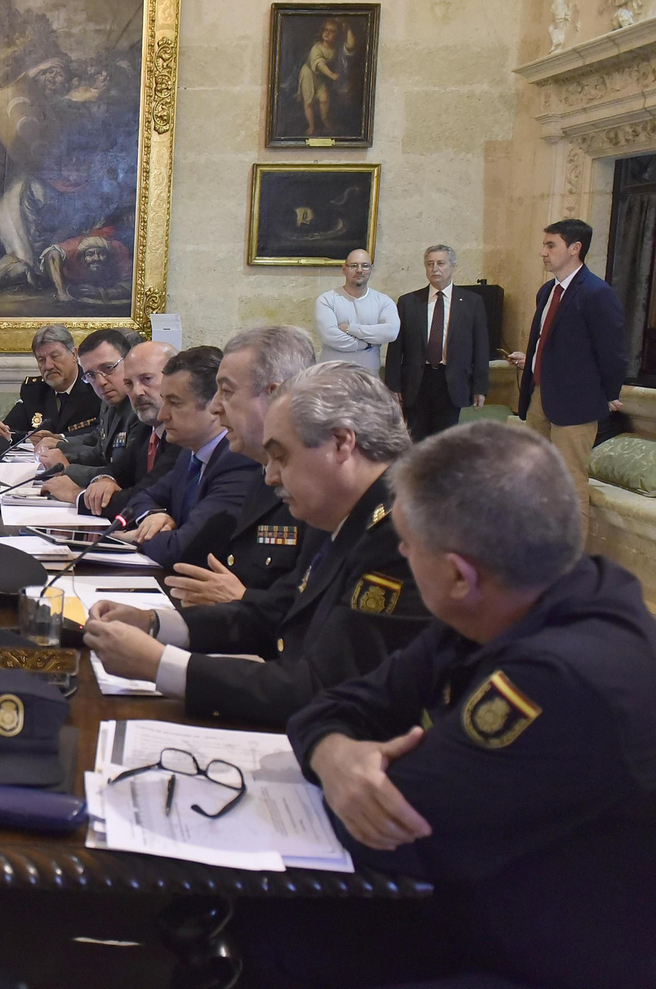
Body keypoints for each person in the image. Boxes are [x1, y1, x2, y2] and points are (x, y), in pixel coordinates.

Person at [258, 422, 656, 988]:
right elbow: (343, 703)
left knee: (271, 939)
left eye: (408, 544)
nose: (400, 554)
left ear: (457, 574)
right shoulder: (517, 597)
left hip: (547, 956)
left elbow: (396, 824)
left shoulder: (563, 679)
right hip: (499, 901)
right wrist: (333, 753)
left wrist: (338, 753)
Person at [84, 362, 432, 728]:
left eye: (281, 457)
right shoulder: (340, 510)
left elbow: (325, 688)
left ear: (342, 443)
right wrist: (153, 623)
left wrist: (160, 665)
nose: (269, 475)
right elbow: (278, 611)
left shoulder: (405, 534)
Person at [164, 324, 315, 605]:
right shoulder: (259, 466)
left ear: (274, 394)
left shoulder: (315, 484)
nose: (214, 407)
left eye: (227, 392)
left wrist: (244, 600)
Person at [507, 218, 627, 526]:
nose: (543, 252)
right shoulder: (548, 291)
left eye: (551, 245)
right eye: (544, 245)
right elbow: (553, 342)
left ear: (575, 248)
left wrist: (609, 395)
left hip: (576, 406)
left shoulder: (596, 293)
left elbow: (612, 352)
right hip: (540, 398)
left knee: (570, 485)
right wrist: (532, 361)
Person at [116, 346, 261, 568]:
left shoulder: (238, 459)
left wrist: (143, 537)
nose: (163, 415)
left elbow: (184, 550)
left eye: (174, 403)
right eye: (164, 401)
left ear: (213, 406)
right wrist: (153, 516)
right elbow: (141, 498)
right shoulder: (190, 454)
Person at [68, 340, 183, 516]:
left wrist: (76, 496)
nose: (137, 392)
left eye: (147, 379)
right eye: (129, 383)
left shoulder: (183, 434)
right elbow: (117, 469)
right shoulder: (149, 427)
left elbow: (144, 495)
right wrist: (104, 479)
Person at [387, 244, 490, 440]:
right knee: (415, 440)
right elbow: (396, 347)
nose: (435, 268)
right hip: (417, 381)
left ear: (453, 266)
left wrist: (480, 387)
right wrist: (394, 386)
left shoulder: (472, 302)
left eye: (441, 263)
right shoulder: (408, 302)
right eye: (430, 264)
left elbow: (481, 347)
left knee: (445, 442)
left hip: (452, 381)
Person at [35, 328, 142, 491]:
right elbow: (100, 452)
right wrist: (61, 457)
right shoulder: (109, 402)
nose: (100, 382)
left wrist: (67, 468)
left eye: (108, 368)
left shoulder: (140, 409)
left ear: (129, 362)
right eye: (91, 375)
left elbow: (126, 477)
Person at [0, 324, 103, 439]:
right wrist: (3, 436)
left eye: (55, 356)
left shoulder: (95, 386)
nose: (48, 366)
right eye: (41, 360)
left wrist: (61, 438)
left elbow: (102, 431)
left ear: (74, 355)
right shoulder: (34, 390)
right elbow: (13, 431)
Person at [314, 248, 400, 371]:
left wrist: (351, 329)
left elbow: (391, 332)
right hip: (332, 376)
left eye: (365, 266)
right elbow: (330, 336)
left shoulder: (384, 301)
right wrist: (367, 343)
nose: (359, 270)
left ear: (371, 269)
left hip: (368, 378)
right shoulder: (326, 300)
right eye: (353, 266)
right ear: (344, 269)